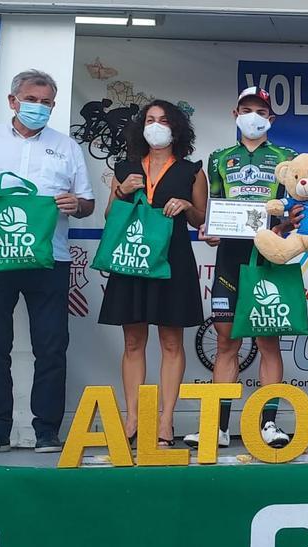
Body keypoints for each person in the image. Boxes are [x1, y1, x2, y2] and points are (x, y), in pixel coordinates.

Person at [0, 70, 95, 454]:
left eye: (47, 102)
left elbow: (86, 203)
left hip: (50, 258)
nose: (40, 108)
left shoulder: (66, 147)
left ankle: (46, 430)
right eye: (33, 100)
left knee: (51, 346)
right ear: (13, 101)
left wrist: (75, 205)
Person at [186, 87, 296, 450]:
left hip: (269, 255)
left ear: (271, 119)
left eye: (261, 111)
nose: (254, 117)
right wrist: (210, 231)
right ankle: (217, 427)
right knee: (226, 340)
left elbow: (296, 209)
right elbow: (214, 207)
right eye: (247, 109)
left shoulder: (287, 156)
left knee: (268, 341)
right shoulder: (219, 157)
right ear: (235, 113)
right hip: (230, 257)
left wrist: (283, 228)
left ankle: (267, 424)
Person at [98, 100, 206, 446]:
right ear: (140, 127)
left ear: (176, 128)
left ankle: (166, 419)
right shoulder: (125, 167)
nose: (156, 125)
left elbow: (201, 219)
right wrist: (122, 190)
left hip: (172, 257)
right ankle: (132, 418)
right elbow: (108, 215)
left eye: (163, 120)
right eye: (150, 120)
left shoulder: (191, 170)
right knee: (133, 340)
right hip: (131, 255)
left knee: (172, 341)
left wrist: (188, 205)